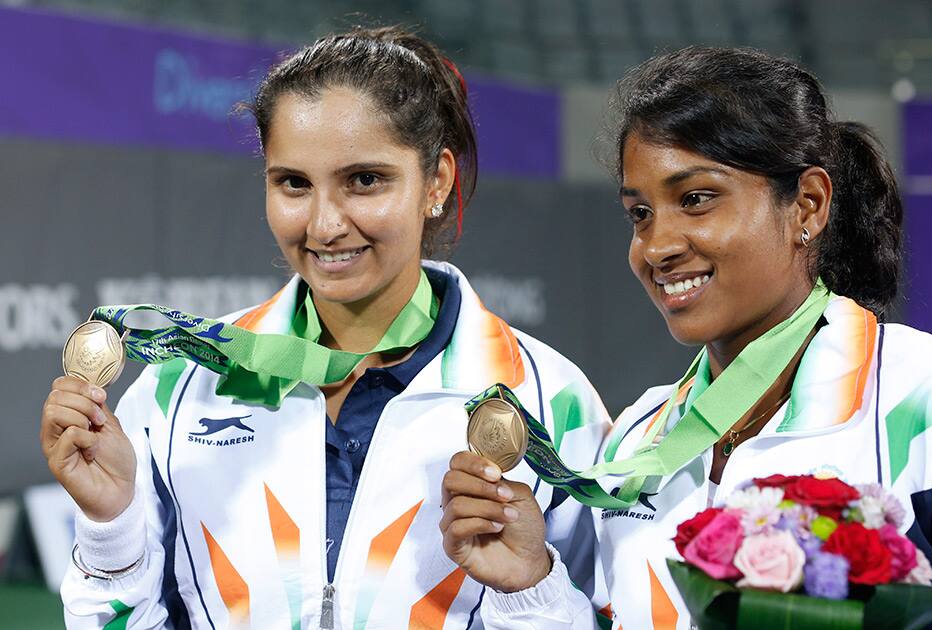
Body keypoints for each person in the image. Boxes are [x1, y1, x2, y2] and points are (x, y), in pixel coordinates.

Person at [40, 27, 610, 629]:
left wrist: (528, 594)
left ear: (436, 182)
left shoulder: (548, 401)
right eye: (294, 183)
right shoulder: (178, 389)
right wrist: (108, 530)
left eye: (365, 180)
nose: (325, 224)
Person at [440, 47, 932, 629]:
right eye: (640, 213)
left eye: (696, 199)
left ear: (807, 205)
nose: (657, 247)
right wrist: (529, 583)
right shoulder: (638, 439)